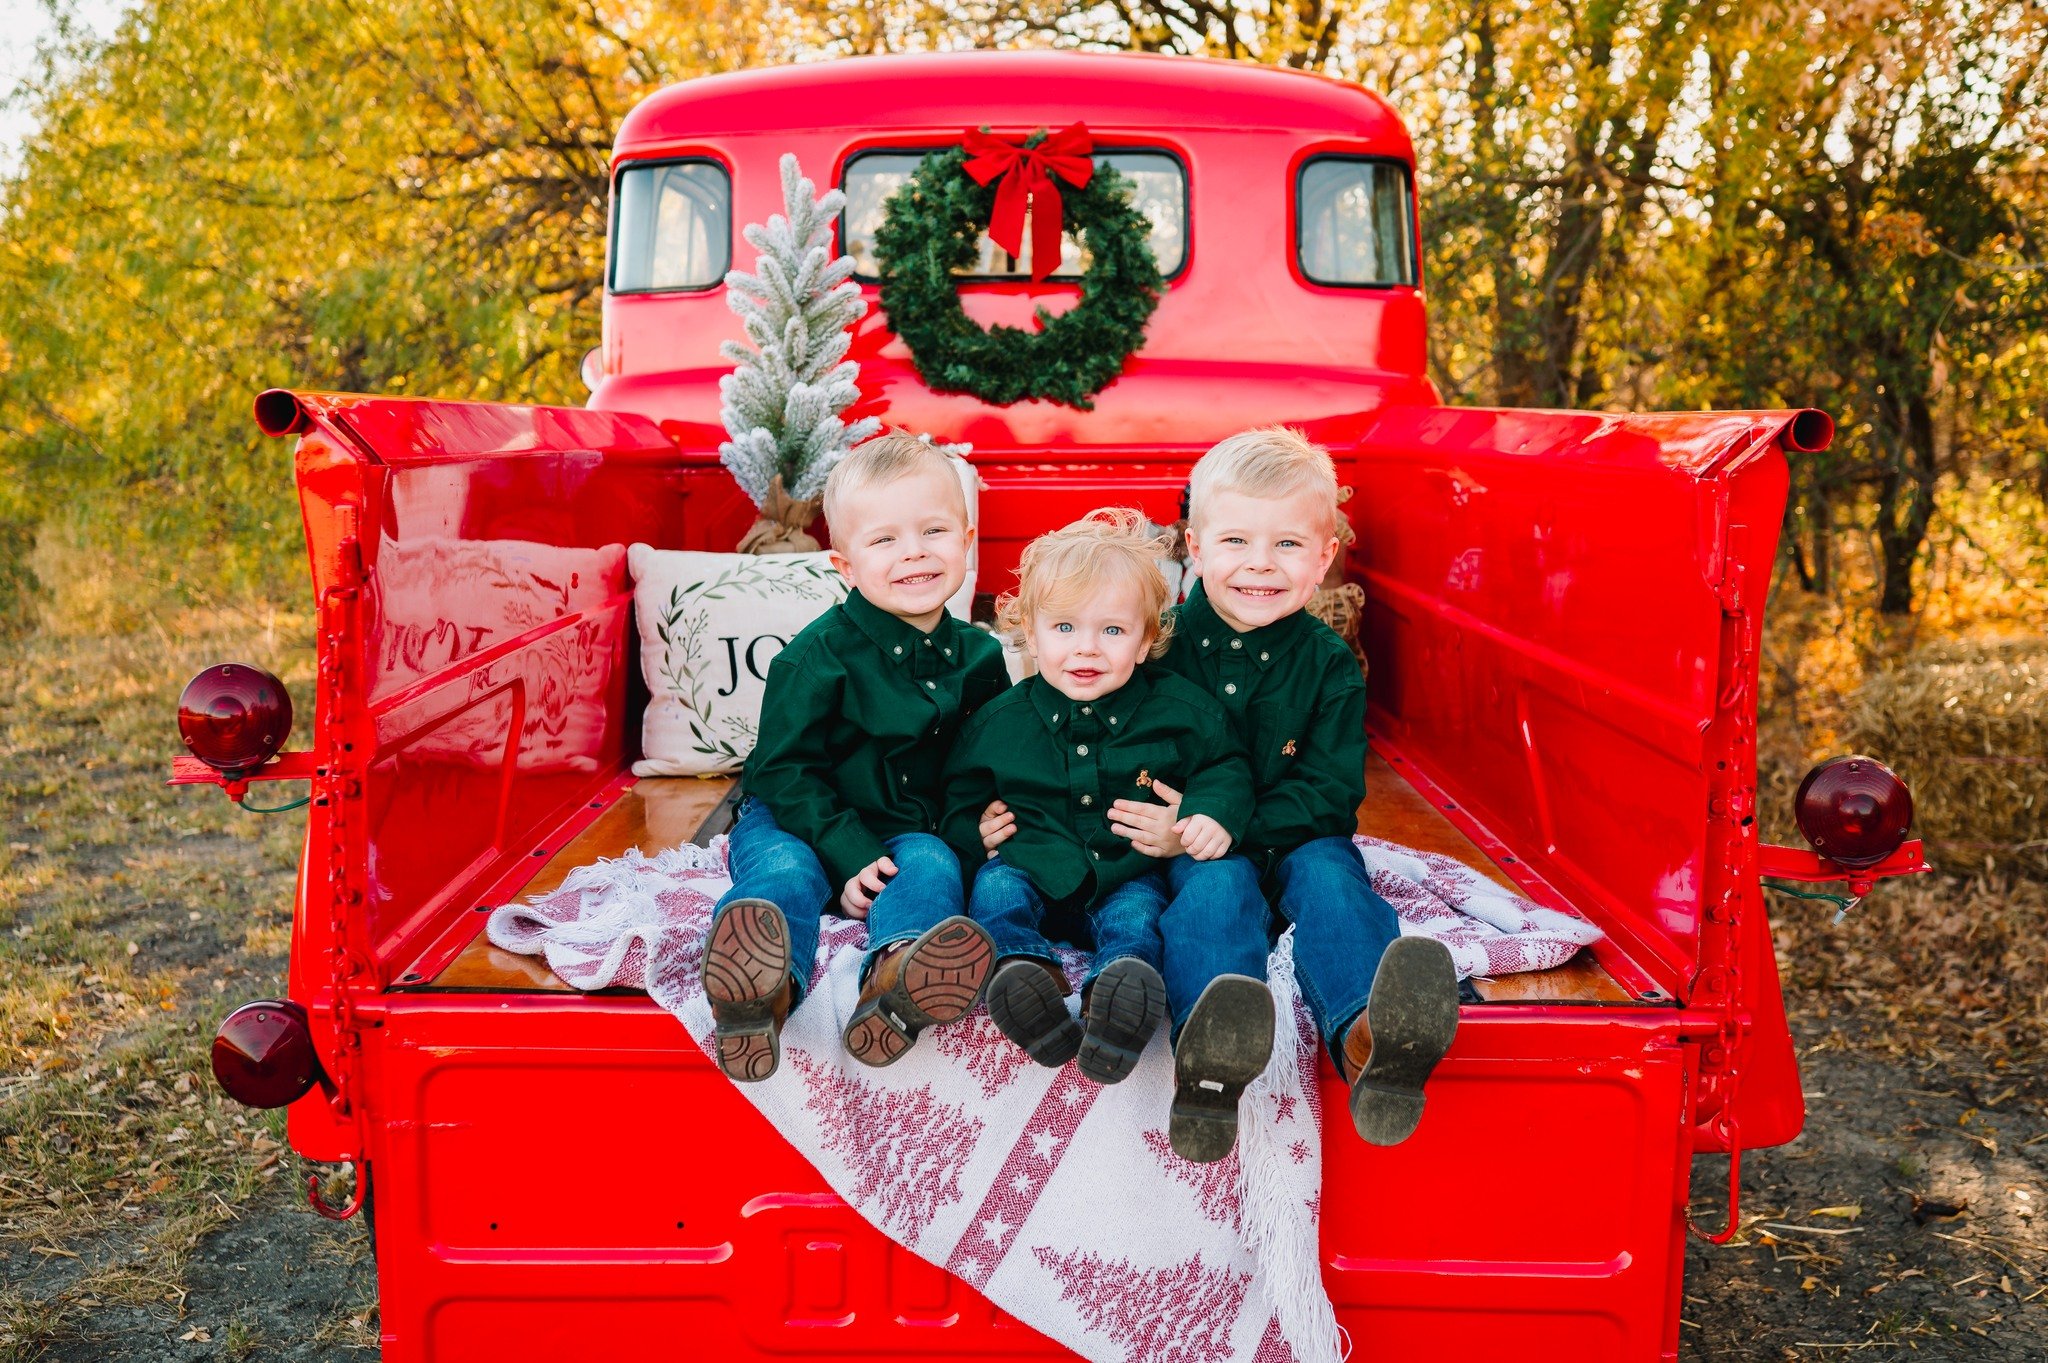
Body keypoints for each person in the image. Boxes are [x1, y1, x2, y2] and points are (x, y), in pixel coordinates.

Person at [1148, 426, 1459, 1145]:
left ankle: (1369, 1041)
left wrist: (1234, 819)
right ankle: (1208, 1064)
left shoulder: (1327, 666)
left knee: (1333, 880)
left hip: (1295, 834)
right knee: (1213, 893)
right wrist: (1188, 827)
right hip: (1193, 844)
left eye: (1288, 545)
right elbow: (1135, 760)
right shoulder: (1158, 648)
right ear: (1194, 548)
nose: (1261, 565)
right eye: (1234, 543)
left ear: (1323, 559)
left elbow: (1327, 793)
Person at [943, 509, 1275, 1164]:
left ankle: (1115, 995)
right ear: (1031, 637)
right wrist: (970, 827)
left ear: (1147, 638)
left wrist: (1206, 812)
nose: (1086, 648)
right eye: (1064, 628)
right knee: (995, 885)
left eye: (1112, 630)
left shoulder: (1179, 709)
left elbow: (1225, 765)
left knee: (1138, 915)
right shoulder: (999, 721)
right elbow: (957, 792)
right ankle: (1022, 973)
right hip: (1032, 861)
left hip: (1126, 868)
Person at [699, 433, 1009, 1080]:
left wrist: (975, 831)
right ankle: (760, 992)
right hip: (796, 811)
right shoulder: (815, 658)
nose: (915, 552)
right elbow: (784, 770)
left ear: (967, 538)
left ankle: (895, 985)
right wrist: (848, 853)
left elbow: (980, 770)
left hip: (905, 823)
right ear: (845, 565)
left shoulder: (980, 659)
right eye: (885, 539)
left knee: (933, 862)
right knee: (786, 869)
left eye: (933, 530)